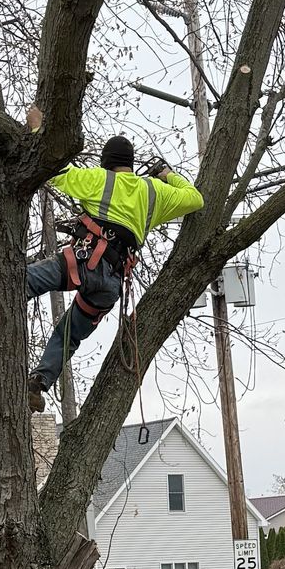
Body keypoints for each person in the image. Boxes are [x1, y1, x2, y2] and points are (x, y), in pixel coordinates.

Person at [20, 134, 203, 409]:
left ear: (106, 162)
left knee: (22, 281)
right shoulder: (154, 192)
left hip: (82, 263)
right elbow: (195, 199)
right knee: (68, 334)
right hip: (111, 285)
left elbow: (54, 170)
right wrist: (167, 174)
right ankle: (39, 382)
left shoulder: (99, 180)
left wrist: (37, 133)